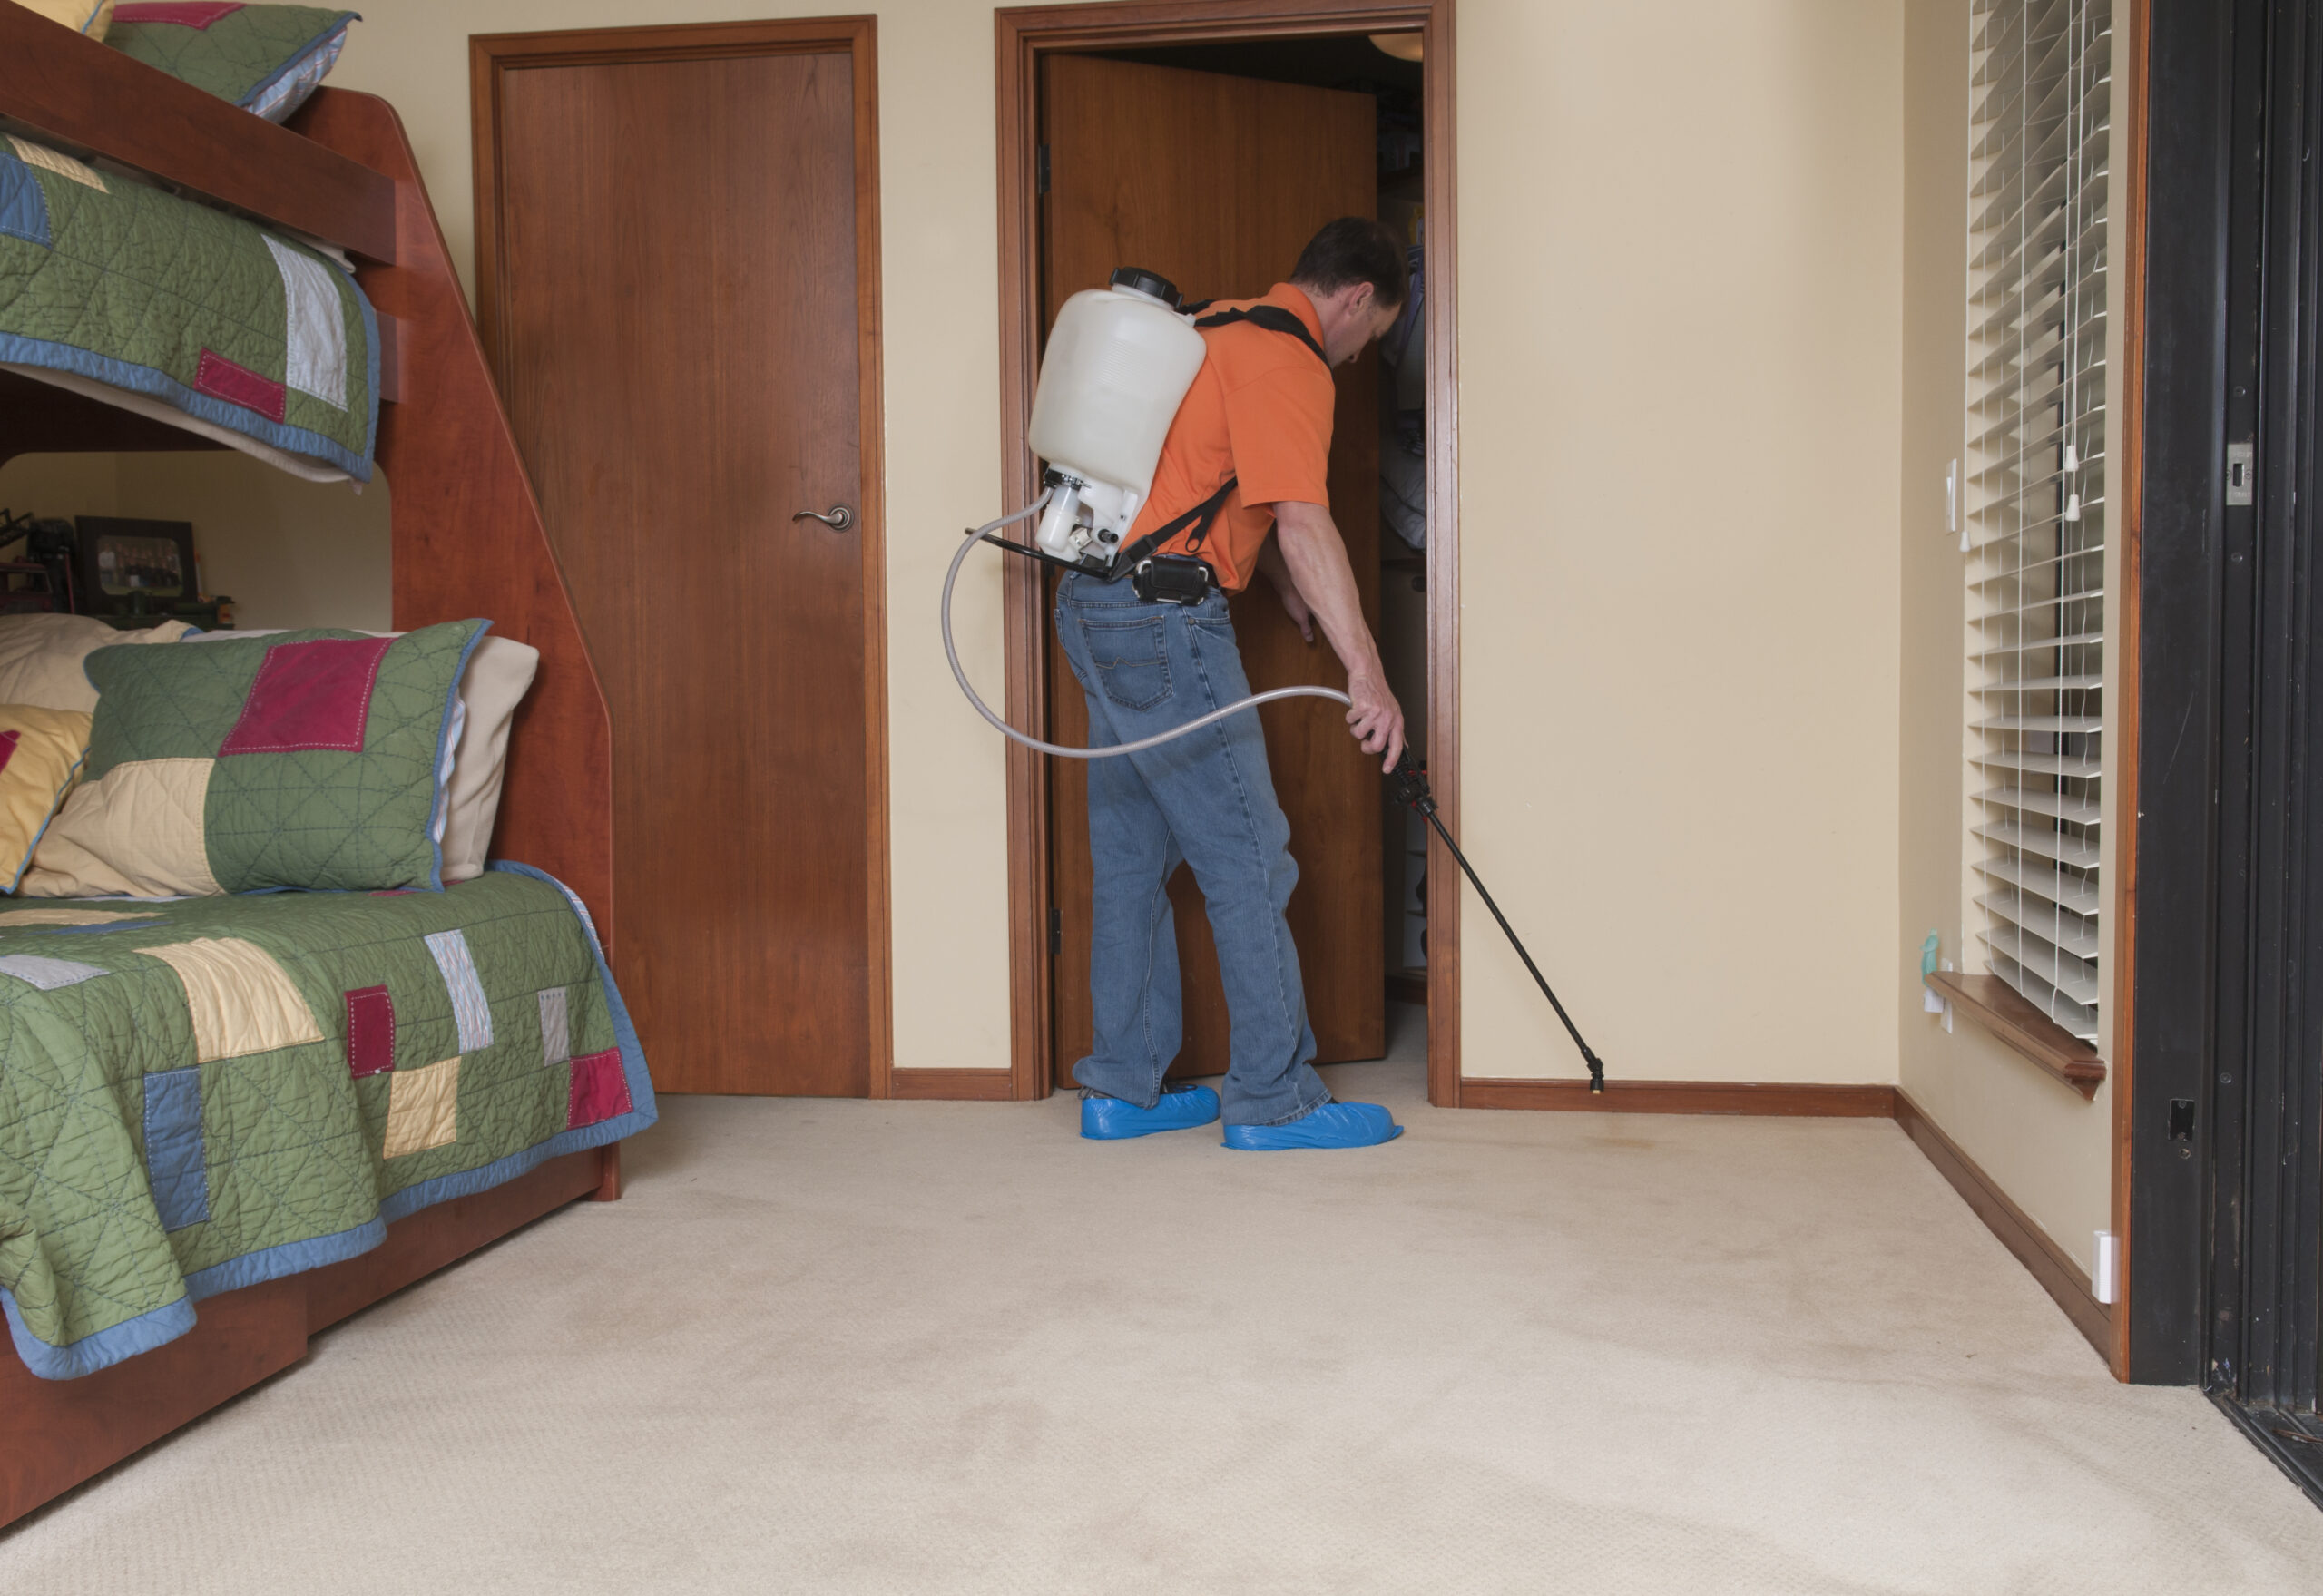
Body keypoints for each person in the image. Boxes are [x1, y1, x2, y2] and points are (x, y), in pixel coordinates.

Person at [1054, 217, 1411, 1151]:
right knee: (1251, 857)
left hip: (1093, 606)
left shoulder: (1212, 325)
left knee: (1132, 859)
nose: (1356, 357)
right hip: (1166, 624)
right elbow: (1299, 514)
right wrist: (1366, 673)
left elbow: (1211, 481)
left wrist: (1286, 591)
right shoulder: (1288, 358)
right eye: (1368, 340)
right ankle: (1273, 1095)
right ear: (1354, 300)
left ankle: (1123, 1089)